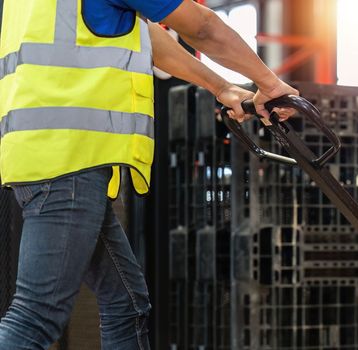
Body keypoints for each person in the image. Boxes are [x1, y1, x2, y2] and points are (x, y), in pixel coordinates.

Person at [0, 0, 298, 348]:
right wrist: (271, 83)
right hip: (69, 164)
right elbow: (201, 26)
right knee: (36, 317)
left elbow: (145, 37)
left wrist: (221, 86)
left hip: (47, 155)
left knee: (126, 305)